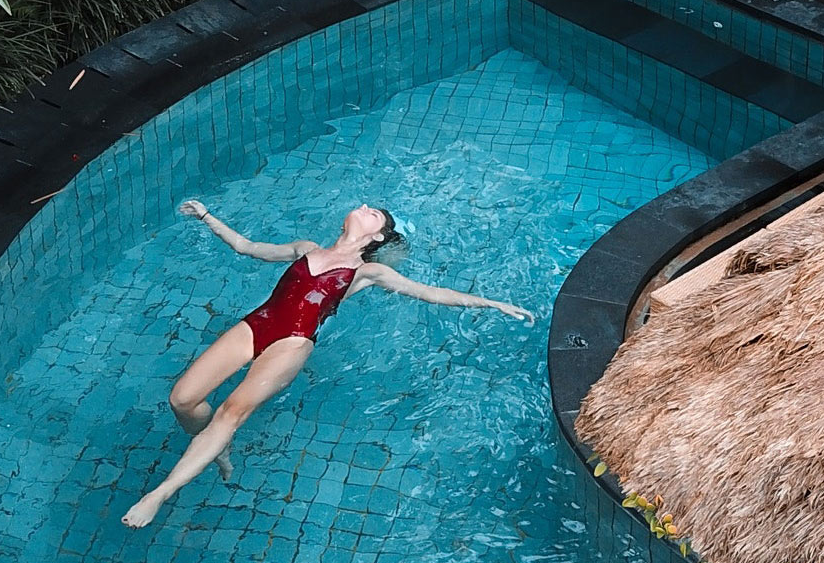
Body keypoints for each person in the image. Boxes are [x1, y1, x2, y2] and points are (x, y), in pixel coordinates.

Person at [121, 200, 534, 527]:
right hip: (257, 323)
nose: (366, 206)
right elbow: (247, 247)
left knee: (230, 412)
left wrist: (492, 302)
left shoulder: (368, 271)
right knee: (183, 400)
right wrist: (207, 216)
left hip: (293, 342)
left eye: (375, 213)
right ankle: (216, 448)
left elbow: (431, 293)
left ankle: (159, 493)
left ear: (378, 235)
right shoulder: (306, 249)